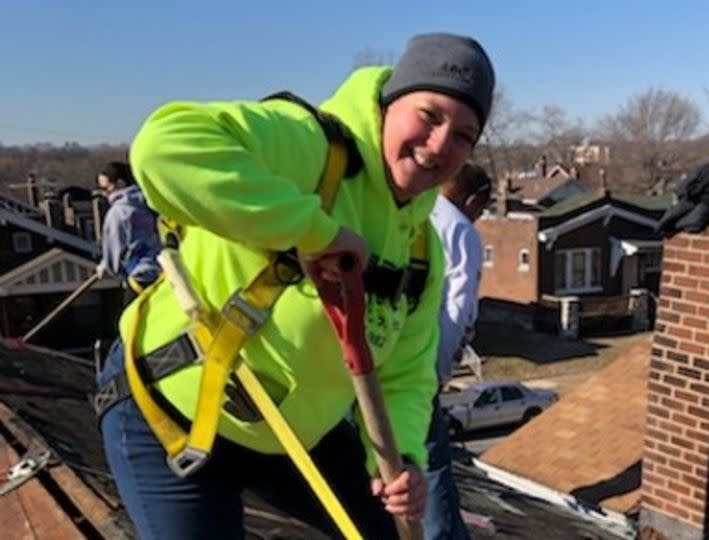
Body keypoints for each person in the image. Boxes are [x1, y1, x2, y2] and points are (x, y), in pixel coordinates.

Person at [94, 32, 495, 540]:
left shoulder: (421, 249)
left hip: (294, 437)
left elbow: (406, 375)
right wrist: (313, 232)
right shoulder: (311, 149)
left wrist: (404, 459)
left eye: (464, 135)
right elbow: (162, 148)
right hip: (171, 414)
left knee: (383, 530)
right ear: (390, 103)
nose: (440, 144)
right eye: (430, 115)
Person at [425, 163, 491, 539]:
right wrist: (440, 370)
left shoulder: (415, 211)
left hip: (381, 353)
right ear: (472, 200)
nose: (480, 217)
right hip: (420, 362)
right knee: (432, 463)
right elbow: (457, 306)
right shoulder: (460, 231)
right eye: (481, 209)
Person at [94, 161, 162, 301]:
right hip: (167, 273)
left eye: (106, 188)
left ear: (120, 184)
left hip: (141, 278)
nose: (104, 194)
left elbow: (113, 255)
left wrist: (105, 267)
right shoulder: (153, 202)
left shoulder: (118, 212)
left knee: (129, 321)